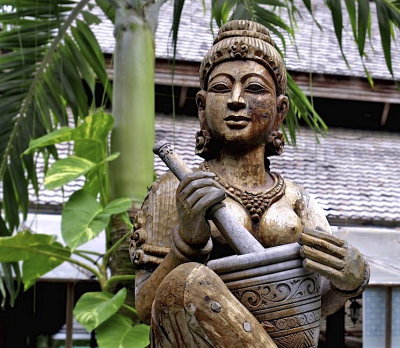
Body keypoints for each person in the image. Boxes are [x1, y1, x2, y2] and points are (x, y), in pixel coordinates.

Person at [130, 20, 369, 348]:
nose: (236, 100)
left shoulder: (296, 198)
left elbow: (312, 306)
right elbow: (146, 306)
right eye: (221, 88)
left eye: (255, 88)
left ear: (280, 110)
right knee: (188, 281)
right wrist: (187, 243)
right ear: (202, 107)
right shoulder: (176, 189)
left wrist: (350, 280)